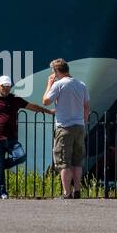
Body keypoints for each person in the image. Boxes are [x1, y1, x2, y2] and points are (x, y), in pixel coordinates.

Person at [42, 58, 90, 199]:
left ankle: (67, 193)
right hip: (79, 126)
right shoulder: (81, 84)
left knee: (64, 162)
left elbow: (45, 101)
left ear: (56, 71)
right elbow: (86, 106)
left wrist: (49, 84)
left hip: (64, 127)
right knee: (77, 161)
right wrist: (84, 122)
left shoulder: (58, 85)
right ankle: (77, 190)